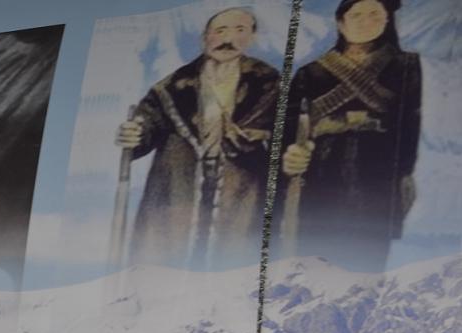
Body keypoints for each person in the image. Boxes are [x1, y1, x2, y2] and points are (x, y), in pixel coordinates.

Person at [115, 8, 279, 269]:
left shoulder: (268, 82)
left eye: (239, 31)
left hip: (240, 188)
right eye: (220, 31)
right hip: (179, 186)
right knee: (169, 265)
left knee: (233, 266)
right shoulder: (173, 85)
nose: (228, 39)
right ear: (205, 37)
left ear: (252, 38)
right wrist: (135, 133)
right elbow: (148, 122)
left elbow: (283, 133)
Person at [280, 0, 420, 272]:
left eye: (375, 14)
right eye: (356, 15)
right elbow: (288, 127)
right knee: (315, 255)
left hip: (379, 172)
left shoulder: (407, 67)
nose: (366, 21)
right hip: (321, 171)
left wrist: (404, 170)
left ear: (387, 20)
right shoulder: (311, 73)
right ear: (341, 22)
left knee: (367, 258)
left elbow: (413, 122)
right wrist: (292, 155)